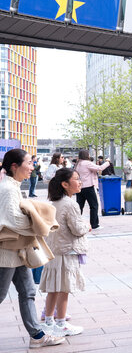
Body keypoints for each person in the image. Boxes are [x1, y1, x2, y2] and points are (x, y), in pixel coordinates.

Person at [0, 148, 65, 348]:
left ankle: (37, 335)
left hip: (17, 251)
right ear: (14, 166)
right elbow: (12, 221)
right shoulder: (8, 189)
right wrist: (40, 224)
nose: (32, 167)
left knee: (28, 291)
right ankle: (37, 335)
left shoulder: (13, 186)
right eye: (29, 162)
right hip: (6, 252)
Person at [39, 168, 90, 337]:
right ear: (65, 184)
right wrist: (87, 226)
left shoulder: (55, 202)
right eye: (76, 179)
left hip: (53, 251)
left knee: (53, 288)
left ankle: (49, 322)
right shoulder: (70, 204)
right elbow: (77, 229)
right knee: (64, 289)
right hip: (66, 251)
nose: (80, 181)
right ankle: (61, 323)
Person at [74, 151, 109, 230]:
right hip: (88, 187)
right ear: (86, 155)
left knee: (79, 206)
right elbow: (99, 168)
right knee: (94, 206)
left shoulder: (77, 164)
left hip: (80, 187)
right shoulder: (87, 163)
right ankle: (94, 224)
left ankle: (76, 223)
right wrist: (107, 162)